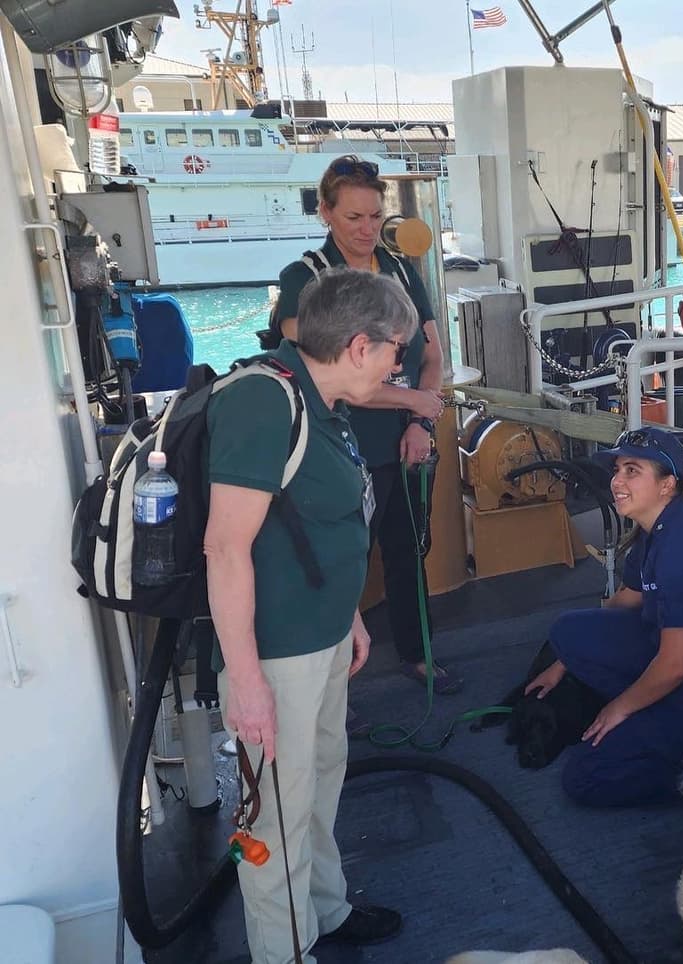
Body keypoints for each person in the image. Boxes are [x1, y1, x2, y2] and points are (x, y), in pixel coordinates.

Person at [205, 268, 420, 962]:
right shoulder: (264, 403)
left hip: (323, 637)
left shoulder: (322, 400)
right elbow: (225, 546)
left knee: (320, 781)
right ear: (361, 347)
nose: (399, 364)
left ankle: (324, 912)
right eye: (396, 351)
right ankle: (283, 952)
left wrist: (350, 616)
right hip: (276, 655)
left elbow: (318, 526)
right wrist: (245, 681)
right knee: (272, 818)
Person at [270, 155, 460, 695]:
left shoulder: (401, 270)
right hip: (339, 448)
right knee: (334, 564)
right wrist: (416, 403)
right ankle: (331, 683)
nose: (366, 229)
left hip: (404, 440)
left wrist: (420, 419)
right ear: (326, 213)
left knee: (408, 550)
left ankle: (419, 655)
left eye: (375, 216)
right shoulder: (304, 278)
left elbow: (431, 349)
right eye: (353, 217)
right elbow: (321, 367)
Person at [525, 427, 683, 807]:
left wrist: (619, 708)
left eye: (632, 471)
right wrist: (565, 662)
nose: (617, 481)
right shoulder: (657, 528)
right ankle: (651, 714)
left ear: (667, 484)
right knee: (567, 631)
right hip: (676, 656)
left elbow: (677, 664)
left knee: (584, 778)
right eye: (617, 470)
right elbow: (626, 601)